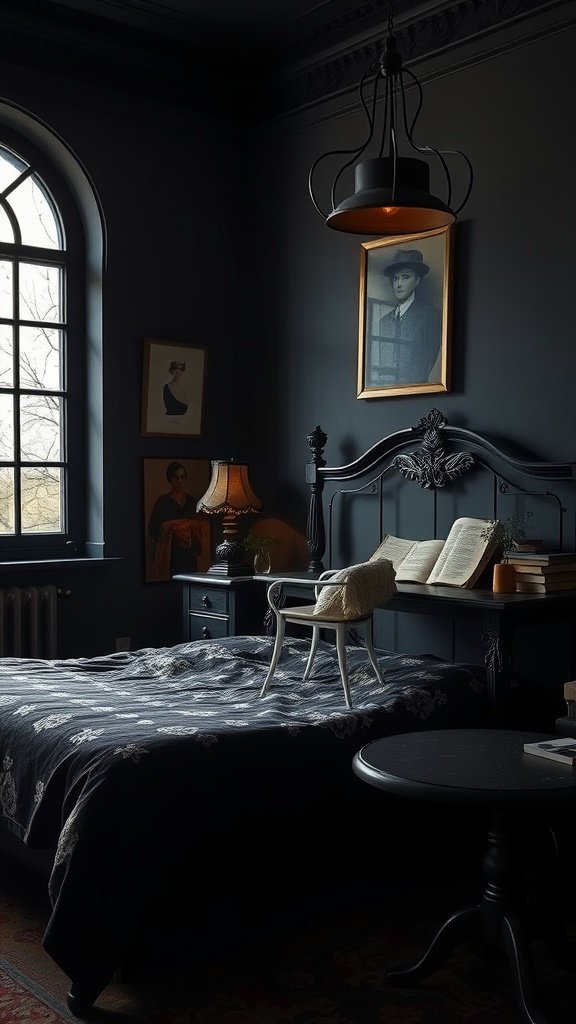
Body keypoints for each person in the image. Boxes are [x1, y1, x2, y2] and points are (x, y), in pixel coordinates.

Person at [377, 249, 442, 386]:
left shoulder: (430, 315)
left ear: (417, 280)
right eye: (396, 279)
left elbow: (431, 359)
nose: (399, 284)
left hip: (417, 391)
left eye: (405, 277)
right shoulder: (384, 322)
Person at [148, 462, 203, 579]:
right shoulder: (163, 502)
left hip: (189, 555)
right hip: (172, 555)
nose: (180, 481)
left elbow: (199, 527)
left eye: (182, 477)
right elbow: (153, 529)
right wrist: (172, 527)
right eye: (176, 477)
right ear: (170, 479)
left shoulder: (191, 502)